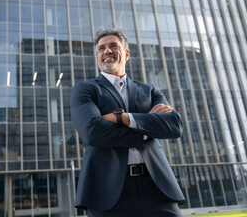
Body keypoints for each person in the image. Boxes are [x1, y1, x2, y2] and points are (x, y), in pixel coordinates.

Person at [70, 28, 185, 217]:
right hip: (107, 192)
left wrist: (122, 118)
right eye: (101, 48)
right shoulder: (85, 90)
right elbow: (93, 132)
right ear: (98, 56)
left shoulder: (149, 90)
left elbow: (174, 126)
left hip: (156, 187)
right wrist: (148, 128)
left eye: (113, 46)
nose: (106, 51)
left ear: (126, 53)